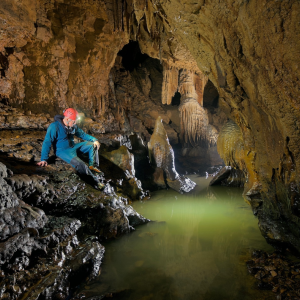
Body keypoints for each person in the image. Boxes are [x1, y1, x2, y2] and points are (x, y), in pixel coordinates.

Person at [37, 108, 105, 190]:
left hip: (73, 147)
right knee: (80, 164)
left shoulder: (73, 126)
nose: (75, 123)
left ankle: (93, 166)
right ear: (67, 119)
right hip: (63, 151)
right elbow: (47, 142)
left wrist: (95, 140)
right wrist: (44, 159)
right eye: (74, 121)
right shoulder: (54, 126)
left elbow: (82, 134)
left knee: (92, 145)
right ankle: (96, 182)